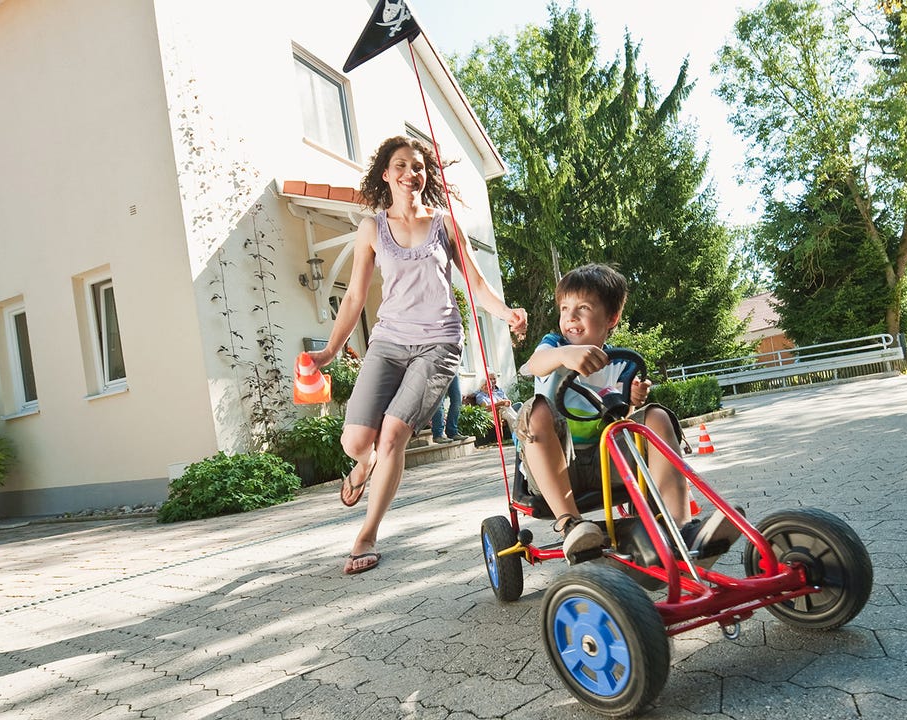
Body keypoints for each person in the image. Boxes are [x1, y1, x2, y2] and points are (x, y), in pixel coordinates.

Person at [307, 135, 528, 575]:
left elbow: (477, 284)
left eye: (419, 166)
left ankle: (367, 534)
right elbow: (353, 298)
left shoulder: (444, 223)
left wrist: (506, 313)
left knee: (393, 435)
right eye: (402, 165)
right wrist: (330, 350)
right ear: (386, 174)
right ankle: (363, 464)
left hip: (438, 343)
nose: (412, 172)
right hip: (387, 342)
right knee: (356, 442)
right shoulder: (372, 228)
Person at [515, 263, 739, 565]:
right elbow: (534, 365)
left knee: (656, 416)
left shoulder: (619, 362)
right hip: (557, 466)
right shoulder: (554, 346)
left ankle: (680, 528)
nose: (571, 316)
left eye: (583, 307)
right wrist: (564, 355)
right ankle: (571, 524)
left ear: (611, 318)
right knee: (536, 410)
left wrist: (633, 401)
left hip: (605, 462)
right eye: (565, 308)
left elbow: (620, 422)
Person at [430, 372, 466, 443]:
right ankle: (438, 434)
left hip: (453, 369)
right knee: (439, 402)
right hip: (439, 369)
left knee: (457, 400)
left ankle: (452, 431)